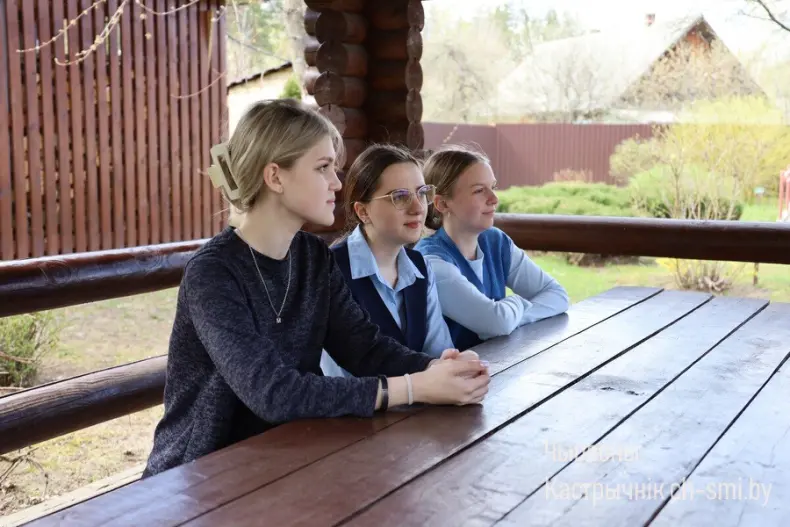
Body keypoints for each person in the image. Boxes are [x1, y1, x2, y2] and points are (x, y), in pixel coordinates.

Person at [142, 100, 490, 478]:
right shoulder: (213, 273)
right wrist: (415, 387)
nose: (337, 183)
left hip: (288, 458)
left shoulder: (312, 257)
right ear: (275, 177)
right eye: (323, 168)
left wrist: (438, 369)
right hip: (198, 476)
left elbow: (364, 348)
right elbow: (273, 393)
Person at [414, 145, 570, 351]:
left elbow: (558, 295)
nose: (494, 199)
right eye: (479, 190)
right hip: (455, 370)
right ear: (442, 204)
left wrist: (512, 317)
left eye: (493, 187)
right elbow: (496, 323)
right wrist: (517, 303)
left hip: (502, 363)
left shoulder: (495, 241)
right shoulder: (429, 261)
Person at [320, 144, 456, 378]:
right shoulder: (330, 271)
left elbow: (438, 352)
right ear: (363, 211)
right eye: (400, 197)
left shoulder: (420, 266)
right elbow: (337, 379)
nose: (418, 208)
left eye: (422, 193)